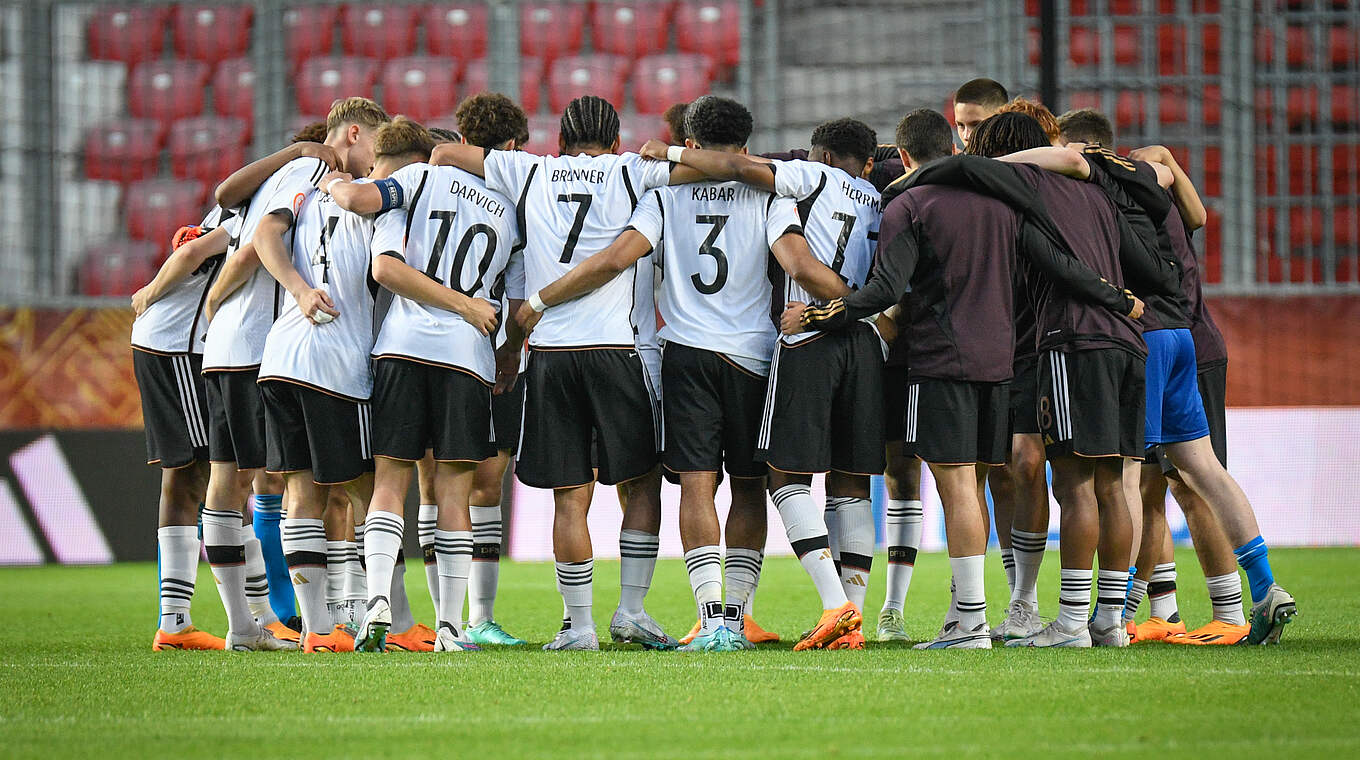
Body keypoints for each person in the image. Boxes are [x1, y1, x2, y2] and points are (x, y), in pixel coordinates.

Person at [790, 109, 1143, 649]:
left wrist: (821, 314)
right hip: (1002, 362)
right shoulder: (1005, 207)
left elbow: (885, 289)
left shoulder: (907, 203)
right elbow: (1050, 263)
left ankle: (971, 623)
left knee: (957, 488)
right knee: (978, 487)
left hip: (939, 362)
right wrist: (1117, 297)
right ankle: (983, 615)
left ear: (904, 158)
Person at [525, 96, 836, 651]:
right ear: (744, 148)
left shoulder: (664, 196)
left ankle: (710, 619)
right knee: (747, 488)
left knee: (697, 487)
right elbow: (795, 263)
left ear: (688, 145)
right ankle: (737, 619)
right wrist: (855, 304)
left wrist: (539, 300)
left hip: (685, 354)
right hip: (753, 355)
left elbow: (620, 256)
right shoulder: (770, 194)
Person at [429, 95, 695, 651]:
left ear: (561, 143)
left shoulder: (528, 170)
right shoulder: (632, 171)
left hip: (549, 355)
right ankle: (631, 610)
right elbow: (703, 167)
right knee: (640, 481)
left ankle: (579, 625)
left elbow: (448, 155)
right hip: (618, 350)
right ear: (616, 142)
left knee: (569, 495)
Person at [652, 117, 884, 650]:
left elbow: (796, 260)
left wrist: (665, 154)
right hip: (866, 341)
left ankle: (833, 606)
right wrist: (860, 305)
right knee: (849, 482)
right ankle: (854, 620)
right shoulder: (877, 197)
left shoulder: (806, 182)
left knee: (781, 477)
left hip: (807, 337)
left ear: (818, 159)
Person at [203, 96, 388, 652]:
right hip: (264, 340)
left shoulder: (297, 169)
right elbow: (260, 237)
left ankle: (265, 622)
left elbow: (227, 199)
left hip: (248, 345)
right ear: (353, 133)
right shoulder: (313, 169)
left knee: (255, 483)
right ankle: (287, 620)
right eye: (376, 145)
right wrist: (294, 291)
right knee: (278, 485)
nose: (376, 161)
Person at [134, 210, 234, 651]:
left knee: (201, 476)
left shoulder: (233, 207)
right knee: (198, 476)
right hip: (179, 346)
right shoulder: (250, 209)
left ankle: (177, 623)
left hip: (177, 346)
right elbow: (192, 251)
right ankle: (175, 624)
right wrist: (149, 294)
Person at [953, 78, 1009, 148]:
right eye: (961, 125)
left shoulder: (1025, 157)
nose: (966, 136)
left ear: (1002, 121)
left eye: (976, 125)